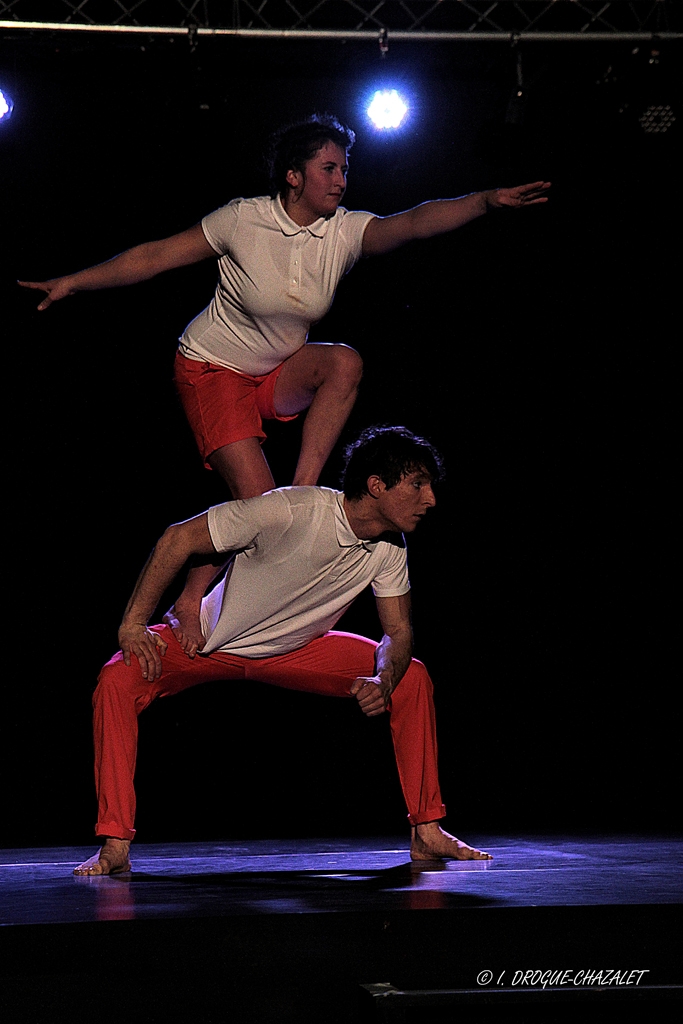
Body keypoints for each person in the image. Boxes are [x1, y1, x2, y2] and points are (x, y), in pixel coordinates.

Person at [20, 113, 549, 649]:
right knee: (256, 507)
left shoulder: (341, 231)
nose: (342, 180)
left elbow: (412, 222)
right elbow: (155, 256)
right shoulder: (242, 221)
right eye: (329, 169)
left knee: (343, 363)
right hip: (212, 370)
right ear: (293, 176)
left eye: (345, 169)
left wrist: (483, 201)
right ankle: (188, 598)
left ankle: (300, 488)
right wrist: (73, 283)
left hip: (275, 371)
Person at [74, 425, 492, 875]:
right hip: (211, 645)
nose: (431, 499)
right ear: (376, 485)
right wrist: (133, 623)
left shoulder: (390, 549)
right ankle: (115, 842)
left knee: (411, 676)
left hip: (296, 650)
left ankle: (427, 831)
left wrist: (383, 678)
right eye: (418, 484)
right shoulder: (292, 509)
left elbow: (399, 631)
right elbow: (178, 539)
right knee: (117, 678)